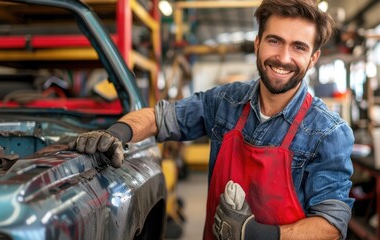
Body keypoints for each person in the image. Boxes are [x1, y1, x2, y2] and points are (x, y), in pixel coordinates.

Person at [69, 0, 355, 239]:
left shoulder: (328, 131)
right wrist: (118, 132)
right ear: (257, 43)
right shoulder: (225, 103)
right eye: (274, 41)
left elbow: (331, 225)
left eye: (299, 47)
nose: (283, 57)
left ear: (314, 57)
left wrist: (255, 234)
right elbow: (160, 117)